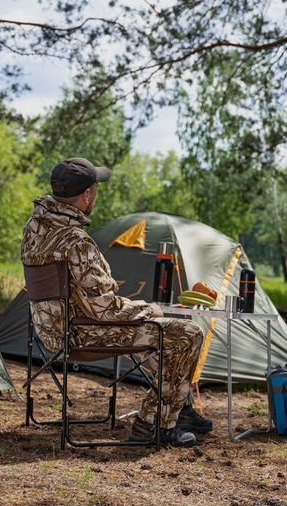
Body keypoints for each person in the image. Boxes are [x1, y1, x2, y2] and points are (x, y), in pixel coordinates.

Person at [21, 157, 213, 447]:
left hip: (51, 331)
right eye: (95, 191)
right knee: (187, 334)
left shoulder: (35, 229)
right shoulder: (76, 242)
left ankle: (180, 409)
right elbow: (104, 309)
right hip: (83, 333)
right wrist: (150, 308)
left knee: (171, 329)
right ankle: (152, 423)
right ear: (87, 196)